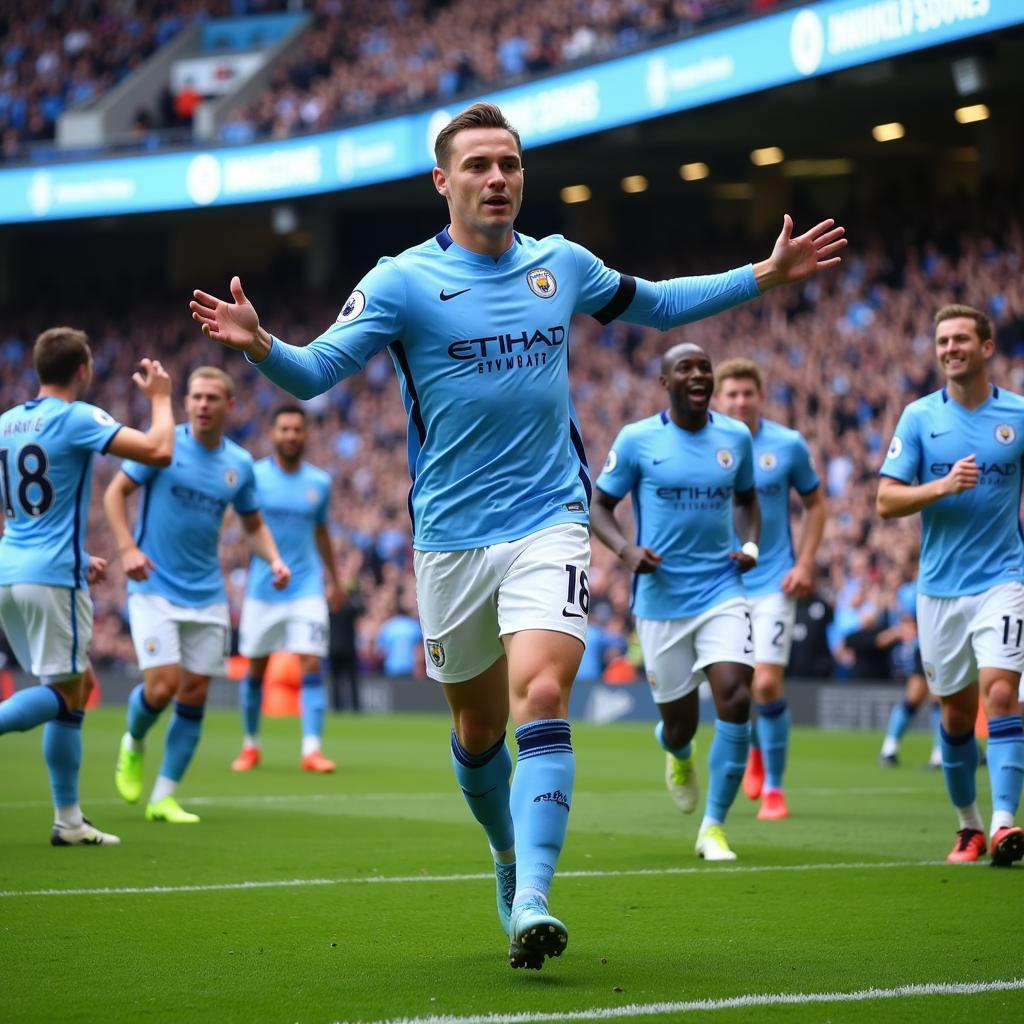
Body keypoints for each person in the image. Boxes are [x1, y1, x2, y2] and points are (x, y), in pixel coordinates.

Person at [188, 102, 845, 967]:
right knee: (477, 733)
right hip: (451, 539)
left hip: (551, 519)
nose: (497, 179)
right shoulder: (401, 281)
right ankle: (505, 856)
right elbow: (315, 373)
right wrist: (259, 343)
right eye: (478, 166)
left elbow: (657, 304)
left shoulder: (560, 264)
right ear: (442, 180)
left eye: (510, 164)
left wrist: (761, 276)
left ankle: (533, 892)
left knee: (543, 696)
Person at [0, 327, 174, 845]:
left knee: (81, 685)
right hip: (52, 579)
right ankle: (68, 817)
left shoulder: (7, 423)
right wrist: (161, 400)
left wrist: (77, 554)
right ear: (84, 370)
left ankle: (69, 820)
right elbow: (158, 451)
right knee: (66, 691)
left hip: (13, 570)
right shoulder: (76, 417)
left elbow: (26, 509)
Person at [591, 342, 759, 861]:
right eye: (685, 367)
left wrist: (750, 543)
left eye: (704, 366)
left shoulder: (735, 437)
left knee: (734, 695)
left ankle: (714, 827)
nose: (698, 374)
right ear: (665, 383)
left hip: (722, 588)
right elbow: (600, 505)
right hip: (661, 598)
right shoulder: (639, 440)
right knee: (681, 723)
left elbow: (749, 499)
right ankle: (678, 751)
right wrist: (625, 550)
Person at [105, 366, 291, 824]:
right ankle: (133, 740)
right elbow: (115, 493)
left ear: (229, 406)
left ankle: (164, 797)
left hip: (208, 595)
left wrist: (274, 559)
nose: (203, 404)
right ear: (185, 403)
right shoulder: (163, 447)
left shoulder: (240, 465)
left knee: (194, 694)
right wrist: (127, 548)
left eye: (212, 398)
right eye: (196, 397)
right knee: (163, 686)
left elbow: (252, 523)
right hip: (153, 587)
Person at [877, 303, 1024, 867]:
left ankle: (1008, 822)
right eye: (943, 340)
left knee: (1002, 694)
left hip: (1004, 579)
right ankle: (970, 827)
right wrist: (941, 488)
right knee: (956, 716)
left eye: (961, 338)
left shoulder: (1016, 414)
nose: (950, 348)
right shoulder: (919, 418)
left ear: (987, 347)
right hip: (938, 589)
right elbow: (886, 500)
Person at [713, 358, 825, 821]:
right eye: (732, 394)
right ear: (718, 398)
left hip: (774, 580)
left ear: (760, 395)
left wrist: (805, 562)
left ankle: (776, 788)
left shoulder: (788, 445)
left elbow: (815, 505)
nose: (740, 401)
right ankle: (755, 754)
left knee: (766, 681)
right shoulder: (704, 443)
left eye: (747, 393)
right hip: (719, 586)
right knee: (736, 687)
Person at [233, 404, 340, 774]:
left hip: (306, 586)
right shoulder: (254, 476)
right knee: (256, 669)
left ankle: (312, 750)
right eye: (285, 429)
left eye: (297, 429)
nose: (291, 436)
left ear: (306, 433)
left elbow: (322, 532)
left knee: (311, 661)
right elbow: (244, 526)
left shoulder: (319, 483)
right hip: (262, 589)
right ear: (273, 433)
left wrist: (336, 579)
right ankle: (251, 745)